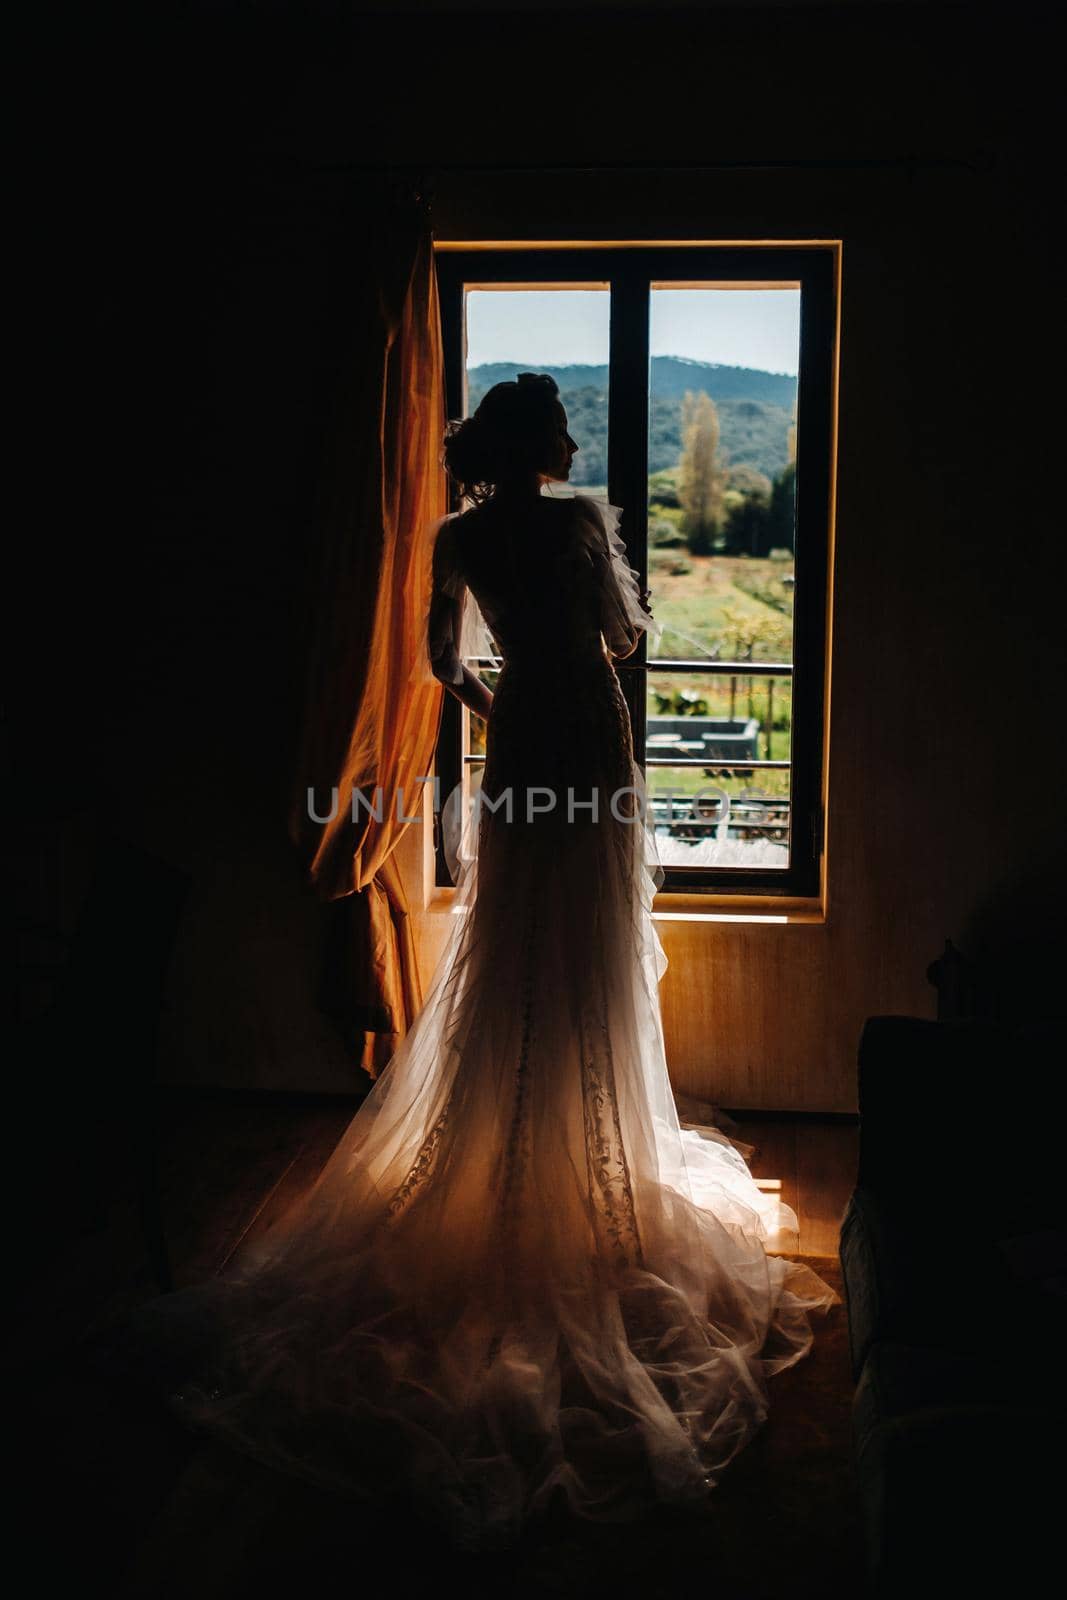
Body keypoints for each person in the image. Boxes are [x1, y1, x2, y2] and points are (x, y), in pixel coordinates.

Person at [109, 373, 836, 1551]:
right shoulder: (579, 520)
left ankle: (516, 1143)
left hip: (522, 747)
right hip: (589, 741)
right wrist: (567, 677)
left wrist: (507, 704)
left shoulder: (459, 534)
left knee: (514, 949)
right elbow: (619, 637)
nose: (566, 440)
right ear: (537, 443)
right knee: (584, 950)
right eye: (558, 427)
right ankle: (573, 1156)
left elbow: (441, 667)